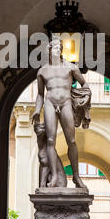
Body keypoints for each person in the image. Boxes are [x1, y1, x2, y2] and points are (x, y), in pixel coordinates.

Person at [32, 37, 90, 189]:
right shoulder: (42, 71)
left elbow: (84, 84)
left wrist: (87, 95)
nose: (58, 49)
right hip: (50, 102)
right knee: (51, 140)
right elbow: (40, 94)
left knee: (71, 140)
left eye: (60, 47)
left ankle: (76, 177)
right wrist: (37, 111)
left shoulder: (71, 68)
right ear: (49, 51)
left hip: (66, 103)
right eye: (55, 47)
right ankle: (55, 176)